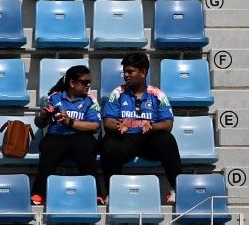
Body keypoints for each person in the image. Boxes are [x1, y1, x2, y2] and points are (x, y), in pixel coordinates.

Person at [100, 52, 183, 205]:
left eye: (130, 71)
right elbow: (107, 122)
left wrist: (152, 126)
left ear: (143, 73)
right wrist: (118, 126)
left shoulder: (157, 94)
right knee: (109, 144)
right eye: (124, 71)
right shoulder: (117, 93)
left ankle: (176, 189)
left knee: (167, 140)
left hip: (148, 140)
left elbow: (168, 124)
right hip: (125, 139)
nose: (126, 75)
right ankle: (112, 191)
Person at [31, 65, 103, 206]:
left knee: (85, 148)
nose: (88, 85)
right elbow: (39, 124)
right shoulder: (54, 97)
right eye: (84, 82)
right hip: (57, 136)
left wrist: (70, 122)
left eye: (89, 82)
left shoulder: (90, 100)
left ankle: (95, 194)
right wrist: (43, 116)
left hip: (81, 137)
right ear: (72, 83)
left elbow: (95, 126)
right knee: (49, 148)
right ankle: (39, 193)